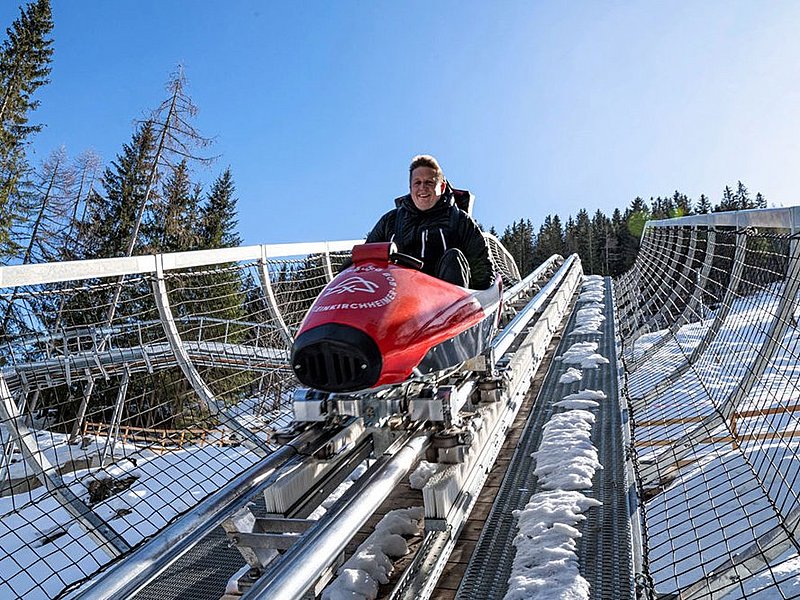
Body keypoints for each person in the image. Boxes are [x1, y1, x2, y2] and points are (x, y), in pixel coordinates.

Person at [364, 155, 495, 289]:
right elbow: (364, 258)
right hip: (400, 296)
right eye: (417, 183)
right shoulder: (390, 221)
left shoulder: (460, 220)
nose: (422, 188)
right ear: (410, 188)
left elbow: (481, 265)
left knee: (453, 256)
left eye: (429, 182)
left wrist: (481, 299)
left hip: (445, 300)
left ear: (442, 187)